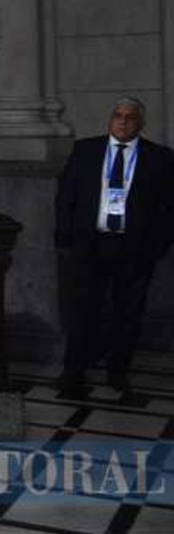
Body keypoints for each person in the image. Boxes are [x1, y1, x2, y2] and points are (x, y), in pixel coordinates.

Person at [54, 97, 174, 396]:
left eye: (130, 117)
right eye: (118, 115)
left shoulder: (160, 158)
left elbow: (170, 208)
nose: (122, 121)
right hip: (90, 245)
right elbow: (66, 196)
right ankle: (73, 371)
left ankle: (118, 371)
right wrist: (64, 239)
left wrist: (157, 247)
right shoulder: (85, 150)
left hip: (134, 249)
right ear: (111, 119)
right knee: (83, 311)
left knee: (127, 314)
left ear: (140, 123)